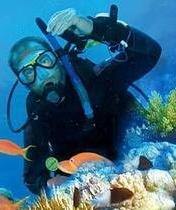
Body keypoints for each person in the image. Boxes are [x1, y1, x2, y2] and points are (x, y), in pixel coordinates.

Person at [8, 8, 161, 194]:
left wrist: (96, 29)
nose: (41, 74)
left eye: (45, 60)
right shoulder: (39, 113)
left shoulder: (95, 78)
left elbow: (150, 53)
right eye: (28, 73)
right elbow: (34, 178)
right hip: (90, 190)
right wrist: (62, 187)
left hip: (144, 159)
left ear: (57, 58)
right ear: (23, 83)